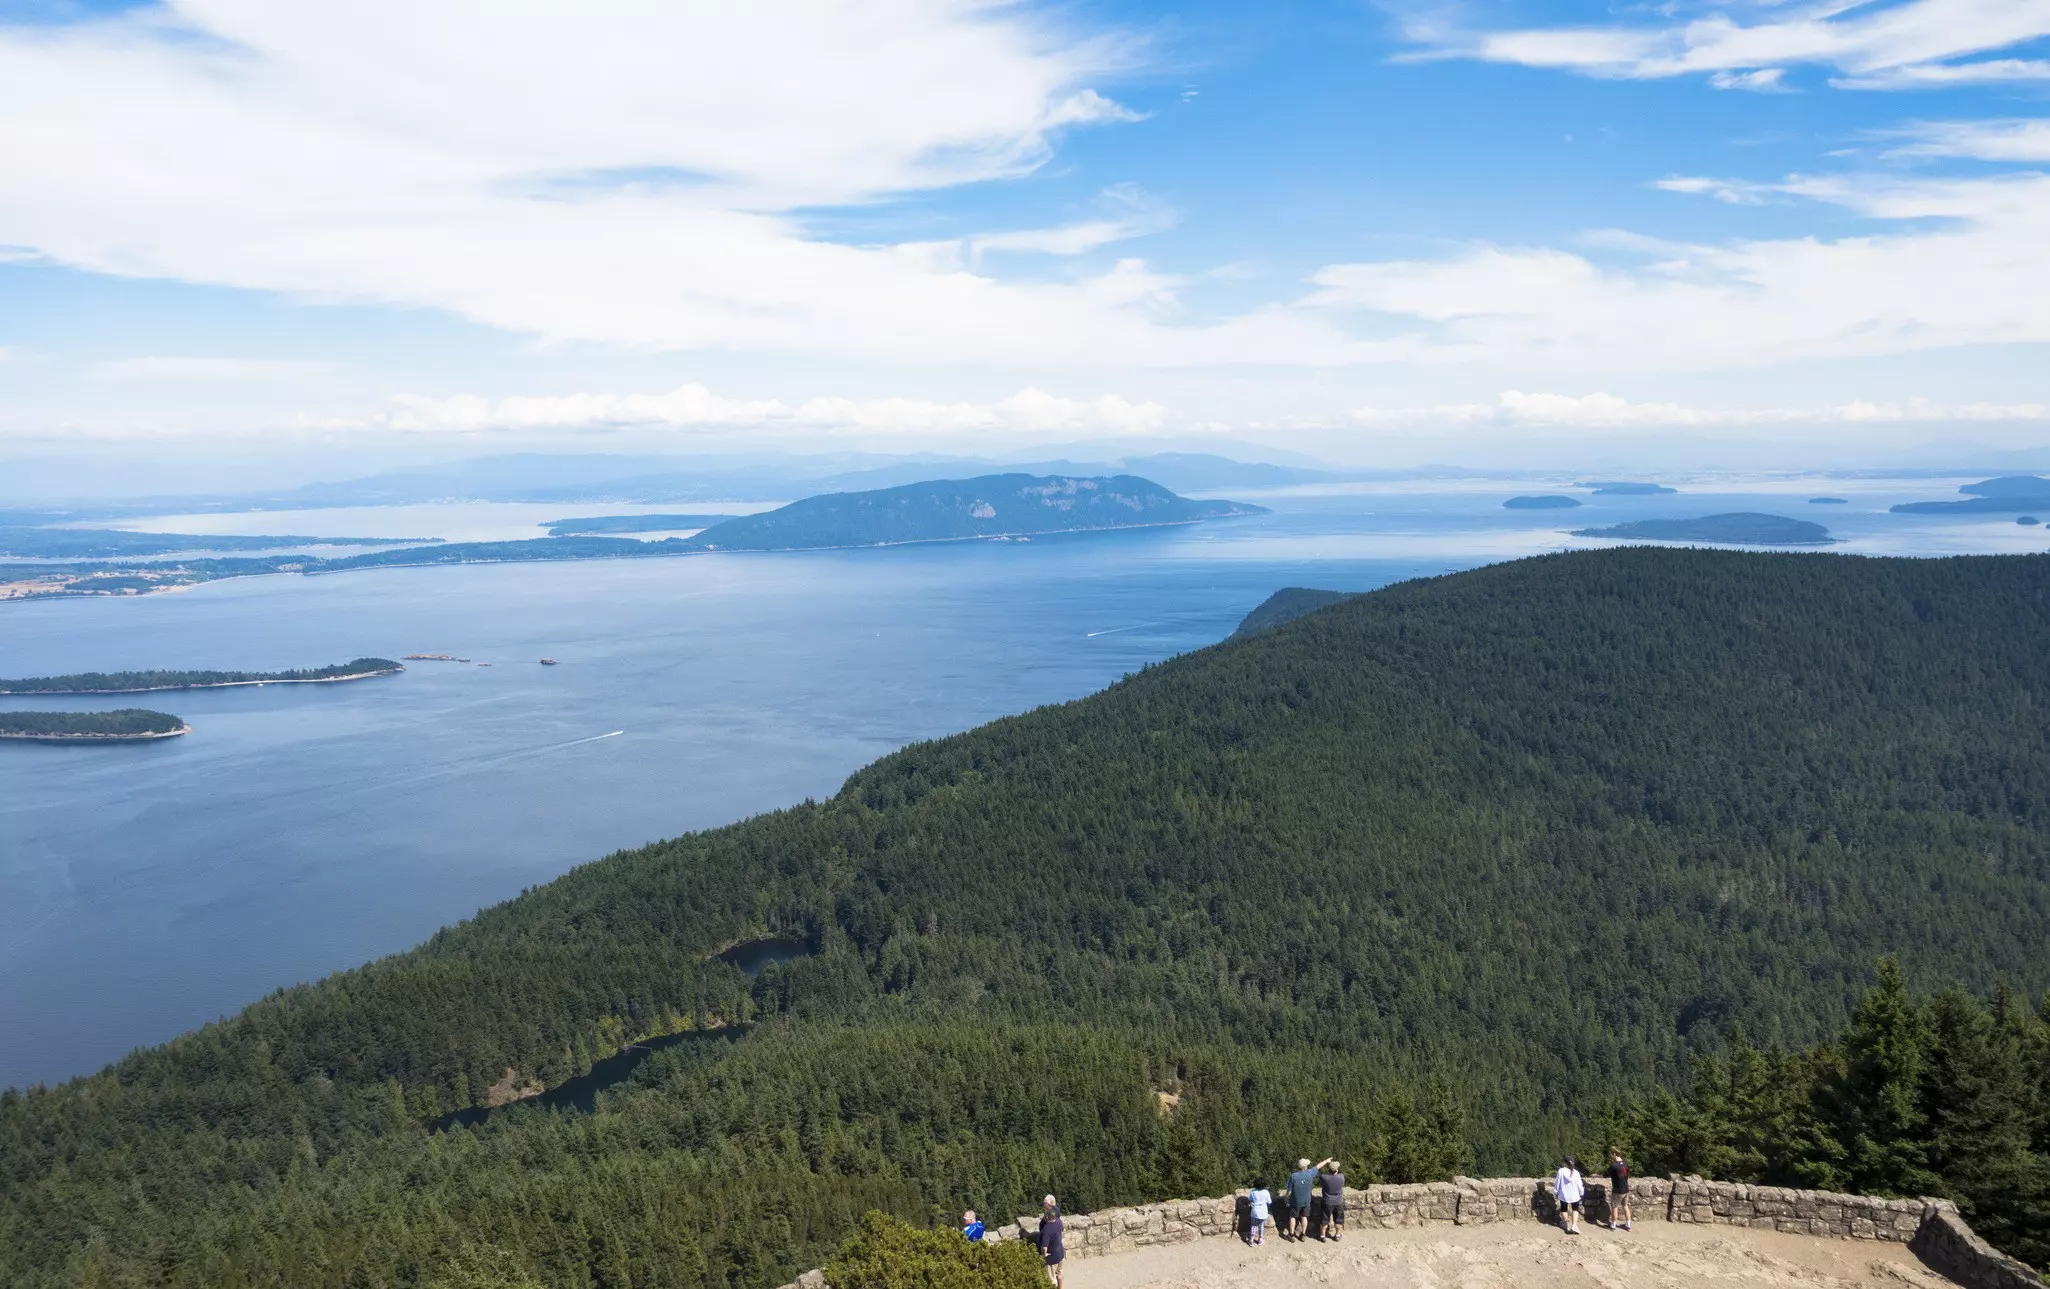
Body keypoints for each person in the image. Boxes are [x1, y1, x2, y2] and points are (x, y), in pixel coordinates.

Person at [1037, 1195, 1065, 1288]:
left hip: (1051, 1255)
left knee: (1051, 1279)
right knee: (1059, 1273)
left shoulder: (1046, 1230)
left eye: (1044, 1203)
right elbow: (1060, 1231)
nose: (1043, 1204)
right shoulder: (1058, 1221)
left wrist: (1044, 1255)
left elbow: (1044, 1247)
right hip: (1060, 1252)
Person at [1287, 1158, 1319, 1240]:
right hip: (1306, 1201)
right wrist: (1326, 1161)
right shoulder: (1310, 1173)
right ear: (1305, 1167)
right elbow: (1318, 1166)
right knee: (1304, 1217)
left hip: (1295, 1202)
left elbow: (1289, 1190)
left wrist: (1286, 1197)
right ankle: (1303, 1234)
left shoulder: (1293, 1176)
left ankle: (1291, 1235)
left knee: (1292, 1217)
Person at [1554, 1156, 1585, 1235]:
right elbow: (1579, 1185)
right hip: (1575, 1195)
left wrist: (1556, 1191)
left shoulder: (1561, 1171)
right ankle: (1574, 1225)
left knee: (1564, 1209)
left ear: (1565, 1163)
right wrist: (1581, 1193)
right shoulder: (1576, 1173)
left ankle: (1566, 1225)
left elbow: (1557, 1182)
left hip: (1564, 1194)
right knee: (1575, 1209)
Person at [1604, 1147, 1633, 1230]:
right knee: (1625, 1206)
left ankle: (1613, 1225)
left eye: (1611, 1154)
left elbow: (1605, 1174)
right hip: (1626, 1189)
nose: (1611, 1156)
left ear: (1614, 1154)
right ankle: (1628, 1225)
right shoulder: (1625, 1163)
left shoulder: (1614, 1166)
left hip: (1617, 1191)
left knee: (1614, 1207)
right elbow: (1627, 1175)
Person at [1318, 1159, 1346, 1241]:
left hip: (1327, 1202)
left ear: (1329, 1170)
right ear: (1337, 1169)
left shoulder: (1324, 1177)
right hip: (1338, 1202)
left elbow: (1319, 1179)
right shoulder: (1341, 1177)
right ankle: (1337, 1235)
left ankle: (1323, 1236)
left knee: (1324, 1219)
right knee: (1339, 1220)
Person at [1247, 1181, 1272, 1245]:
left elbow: (1249, 1200)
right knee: (1261, 1226)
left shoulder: (1253, 1191)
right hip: (1263, 1211)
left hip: (1255, 1210)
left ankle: (1251, 1240)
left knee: (1253, 1225)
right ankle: (1260, 1239)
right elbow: (1269, 1202)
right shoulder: (1266, 1192)